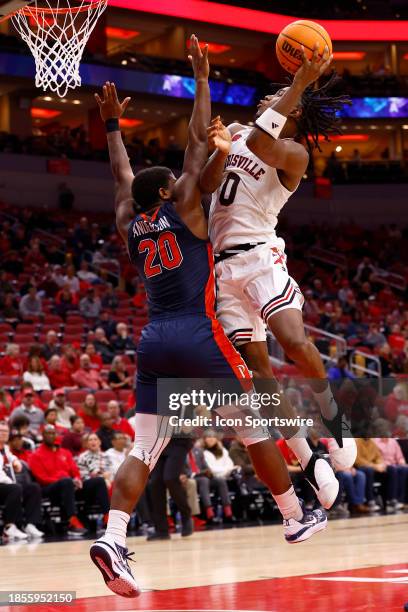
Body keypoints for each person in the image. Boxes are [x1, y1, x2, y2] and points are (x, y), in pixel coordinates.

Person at [90, 41, 326, 599]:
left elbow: (122, 179)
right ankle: (293, 513)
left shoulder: (130, 221)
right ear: (168, 191)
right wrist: (201, 78)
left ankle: (113, 534)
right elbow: (200, 142)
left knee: (142, 447)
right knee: (255, 425)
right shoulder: (189, 207)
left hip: (152, 343)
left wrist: (112, 129)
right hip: (200, 336)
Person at [199, 44, 355, 502]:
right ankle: (309, 457)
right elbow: (208, 185)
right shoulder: (236, 130)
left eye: (283, 95)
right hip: (223, 267)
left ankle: (334, 419)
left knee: (292, 339)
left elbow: (263, 145)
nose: (271, 96)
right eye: (275, 92)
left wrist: (302, 83)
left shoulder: (294, 154)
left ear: (296, 112)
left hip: (261, 255)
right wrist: (220, 153)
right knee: (258, 370)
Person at [28, 425, 87, 536]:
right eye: (48, 433)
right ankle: (72, 521)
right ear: (43, 436)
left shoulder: (65, 453)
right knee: (66, 482)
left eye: (53, 433)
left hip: (69, 485)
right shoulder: (35, 455)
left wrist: (77, 479)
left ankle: (107, 519)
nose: (51, 435)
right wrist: (64, 480)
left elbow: (75, 470)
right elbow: (42, 478)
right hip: (48, 488)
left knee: (97, 481)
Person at [0, 421, 43, 540]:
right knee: (15, 488)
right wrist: (12, 483)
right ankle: (9, 527)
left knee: (33, 488)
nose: (3, 434)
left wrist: (15, 461)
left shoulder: (6, 449)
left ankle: (30, 524)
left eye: (5, 431)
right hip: (3, 484)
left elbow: (10, 457)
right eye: (1, 431)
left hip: (7, 486)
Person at [76, 433, 112, 516]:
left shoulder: (106, 456)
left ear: (99, 442)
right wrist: (103, 477)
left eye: (95, 439)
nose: (93, 442)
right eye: (90, 440)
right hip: (89, 487)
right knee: (100, 481)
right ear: (87, 444)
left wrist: (108, 478)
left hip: (108, 482)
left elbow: (112, 471)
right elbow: (83, 476)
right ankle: (107, 515)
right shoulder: (82, 457)